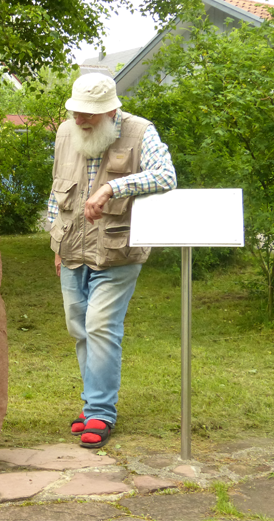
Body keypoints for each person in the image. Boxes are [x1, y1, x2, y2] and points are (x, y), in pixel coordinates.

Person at [48, 73, 176, 449]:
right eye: (76, 112)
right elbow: (56, 188)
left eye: (90, 114)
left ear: (112, 110)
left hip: (117, 251)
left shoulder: (140, 132)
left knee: (101, 326)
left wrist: (112, 187)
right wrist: (55, 242)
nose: (81, 120)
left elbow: (166, 176)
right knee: (79, 328)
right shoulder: (64, 133)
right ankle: (91, 408)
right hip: (71, 247)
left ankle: (101, 413)